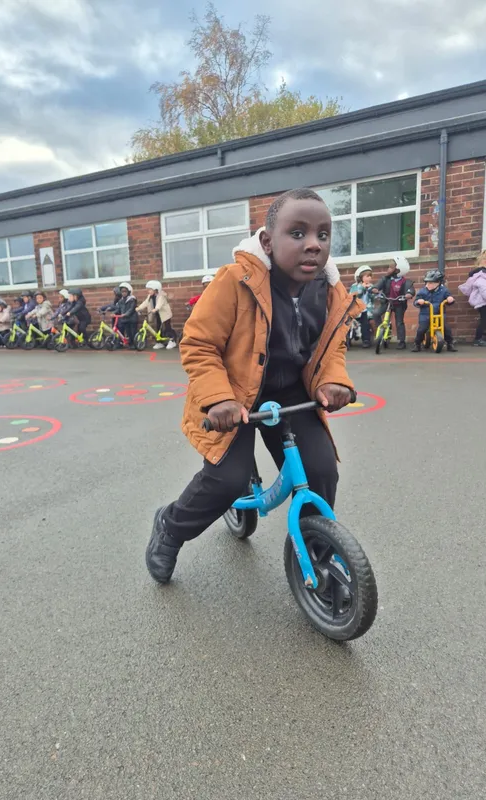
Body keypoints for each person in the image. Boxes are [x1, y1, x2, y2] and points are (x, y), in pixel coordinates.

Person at [145, 187, 361, 584]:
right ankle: (170, 528)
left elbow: (333, 346)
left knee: (320, 470)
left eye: (323, 235)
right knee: (226, 480)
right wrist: (219, 399)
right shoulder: (235, 281)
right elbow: (199, 343)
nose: (313, 245)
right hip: (235, 391)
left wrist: (333, 381)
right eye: (297, 234)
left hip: (290, 393)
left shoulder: (329, 291)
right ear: (267, 240)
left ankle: (316, 557)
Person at [373, 256, 415, 349]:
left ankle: (401, 341)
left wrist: (408, 294)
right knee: (376, 313)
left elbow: (410, 289)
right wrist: (375, 288)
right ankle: (381, 330)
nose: (388, 269)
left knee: (399, 322)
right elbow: (378, 285)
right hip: (387, 302)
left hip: (399, 304)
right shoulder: (386, 279)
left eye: (391, 267)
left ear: (398, 270)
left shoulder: (405, 281)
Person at [411, 270, 457, 352]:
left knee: (446, 328)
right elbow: (416, 301)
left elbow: (449, 298)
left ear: (438, 283)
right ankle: (417, 344)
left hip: (439, 313)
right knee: (422, 329)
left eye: (431, 283)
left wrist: (450, 299)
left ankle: (450, 344)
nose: (428, 285)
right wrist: (418, 301)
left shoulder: (444, 290)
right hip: (425, 314)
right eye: (426, 282)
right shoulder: (423, 291)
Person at [137, 280, 178, 349]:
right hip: (158, 314)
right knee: (158, 328)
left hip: (165, 314)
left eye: (150, 289)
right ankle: (159, 342)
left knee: (167, 327)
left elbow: (159, 304)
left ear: (156, 289)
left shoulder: (161, 296)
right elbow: (145, 302)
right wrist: (139, 308)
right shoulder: (150, 296)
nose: (148, 291)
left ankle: (172, 340)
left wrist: (156, 309)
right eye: (148, 290)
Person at [459, 251, 486, 346]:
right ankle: (478, 339)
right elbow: (484, 290)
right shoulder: (481, 276)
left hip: (483, 302)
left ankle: (481, 338)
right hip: (483, 302)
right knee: (484, 320)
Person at [349, 265, 375, 347]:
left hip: (366, 310)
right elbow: (354, 296)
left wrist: (371, 292)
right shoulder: (355, 286)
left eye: (370, 276)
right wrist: (362, 288)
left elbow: (373, 299)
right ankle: (347, 339)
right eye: (367, 276)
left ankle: (366, 340)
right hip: (355, 308)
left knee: (365, 323)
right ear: (360, 277)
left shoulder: (371, 286)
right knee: (347, 322)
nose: (369, 278)